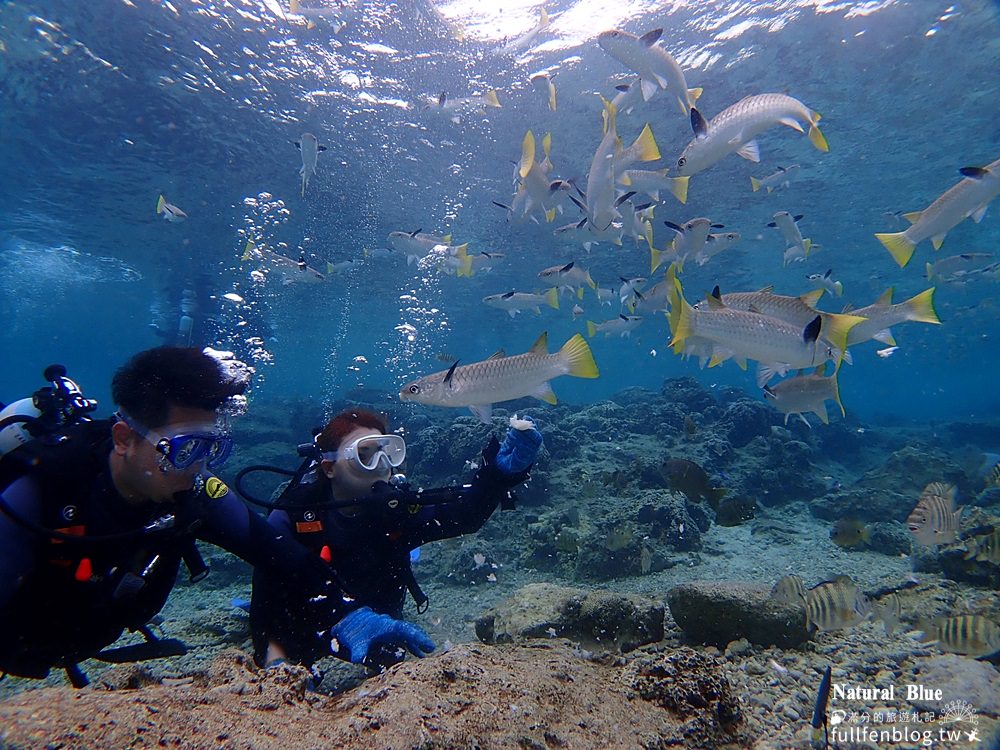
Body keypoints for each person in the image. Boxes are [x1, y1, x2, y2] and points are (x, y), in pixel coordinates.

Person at [0, 347, 433, 687]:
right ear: (124, 438)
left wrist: (348, 613)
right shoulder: (38, 493)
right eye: (184, 448)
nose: (197, 468)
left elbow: (277, 553)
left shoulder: (192, 492)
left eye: (211, 449)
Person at [250, 407, 542, 673]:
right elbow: (267, 604)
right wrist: (278, 663)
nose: (381, 465)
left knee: (387, 660)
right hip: (310, 623)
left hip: (380, 623)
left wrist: (497, 477)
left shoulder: (395, 512)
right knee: (288, 667)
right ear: (329, 467)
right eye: (365, 455)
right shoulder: (294, 517)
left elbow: (463, 516)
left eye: (386, 452)